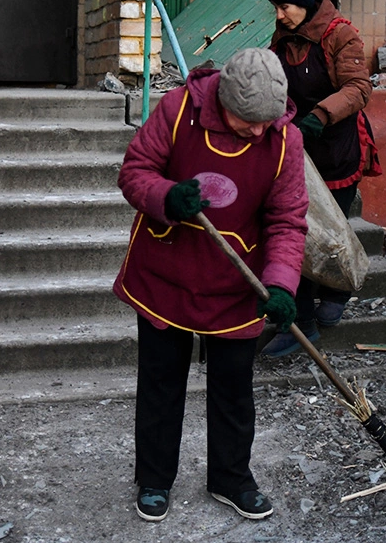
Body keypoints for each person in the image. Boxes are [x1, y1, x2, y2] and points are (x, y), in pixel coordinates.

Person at [114, 48, 308, 522]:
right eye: (249, 121)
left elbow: (286, 218)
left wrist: (281, 283)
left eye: (269, 122)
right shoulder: (178, 111)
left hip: (237, 284)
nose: (260, 132)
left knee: (234, 388)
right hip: (167, 273)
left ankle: (230, 476)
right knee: (161, 383)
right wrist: (165, 196)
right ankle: (155, 478)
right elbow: (134, 172)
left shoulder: (286, 141)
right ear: (223, 100)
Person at [260, 0, 381, 357]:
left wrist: (320, 116)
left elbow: (359, 88)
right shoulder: (283, 39)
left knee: (333, 233)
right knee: (299, 237)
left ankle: (337, 292)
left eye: (285, 6)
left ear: (305, 3)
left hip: (338, 150)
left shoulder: (340, 34)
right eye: (276, 8)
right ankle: (300, 325)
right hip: (299, 152)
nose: (279, 15)